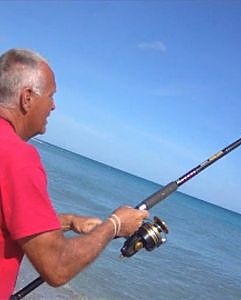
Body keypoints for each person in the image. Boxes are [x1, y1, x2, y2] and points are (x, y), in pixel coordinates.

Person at [0, 48, 149, 299]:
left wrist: (68, 221)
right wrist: (114, 225)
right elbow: (56, 267)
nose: (54, 106)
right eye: (51, 95)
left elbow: (9, 215)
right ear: (27, 98)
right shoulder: (18, 157)